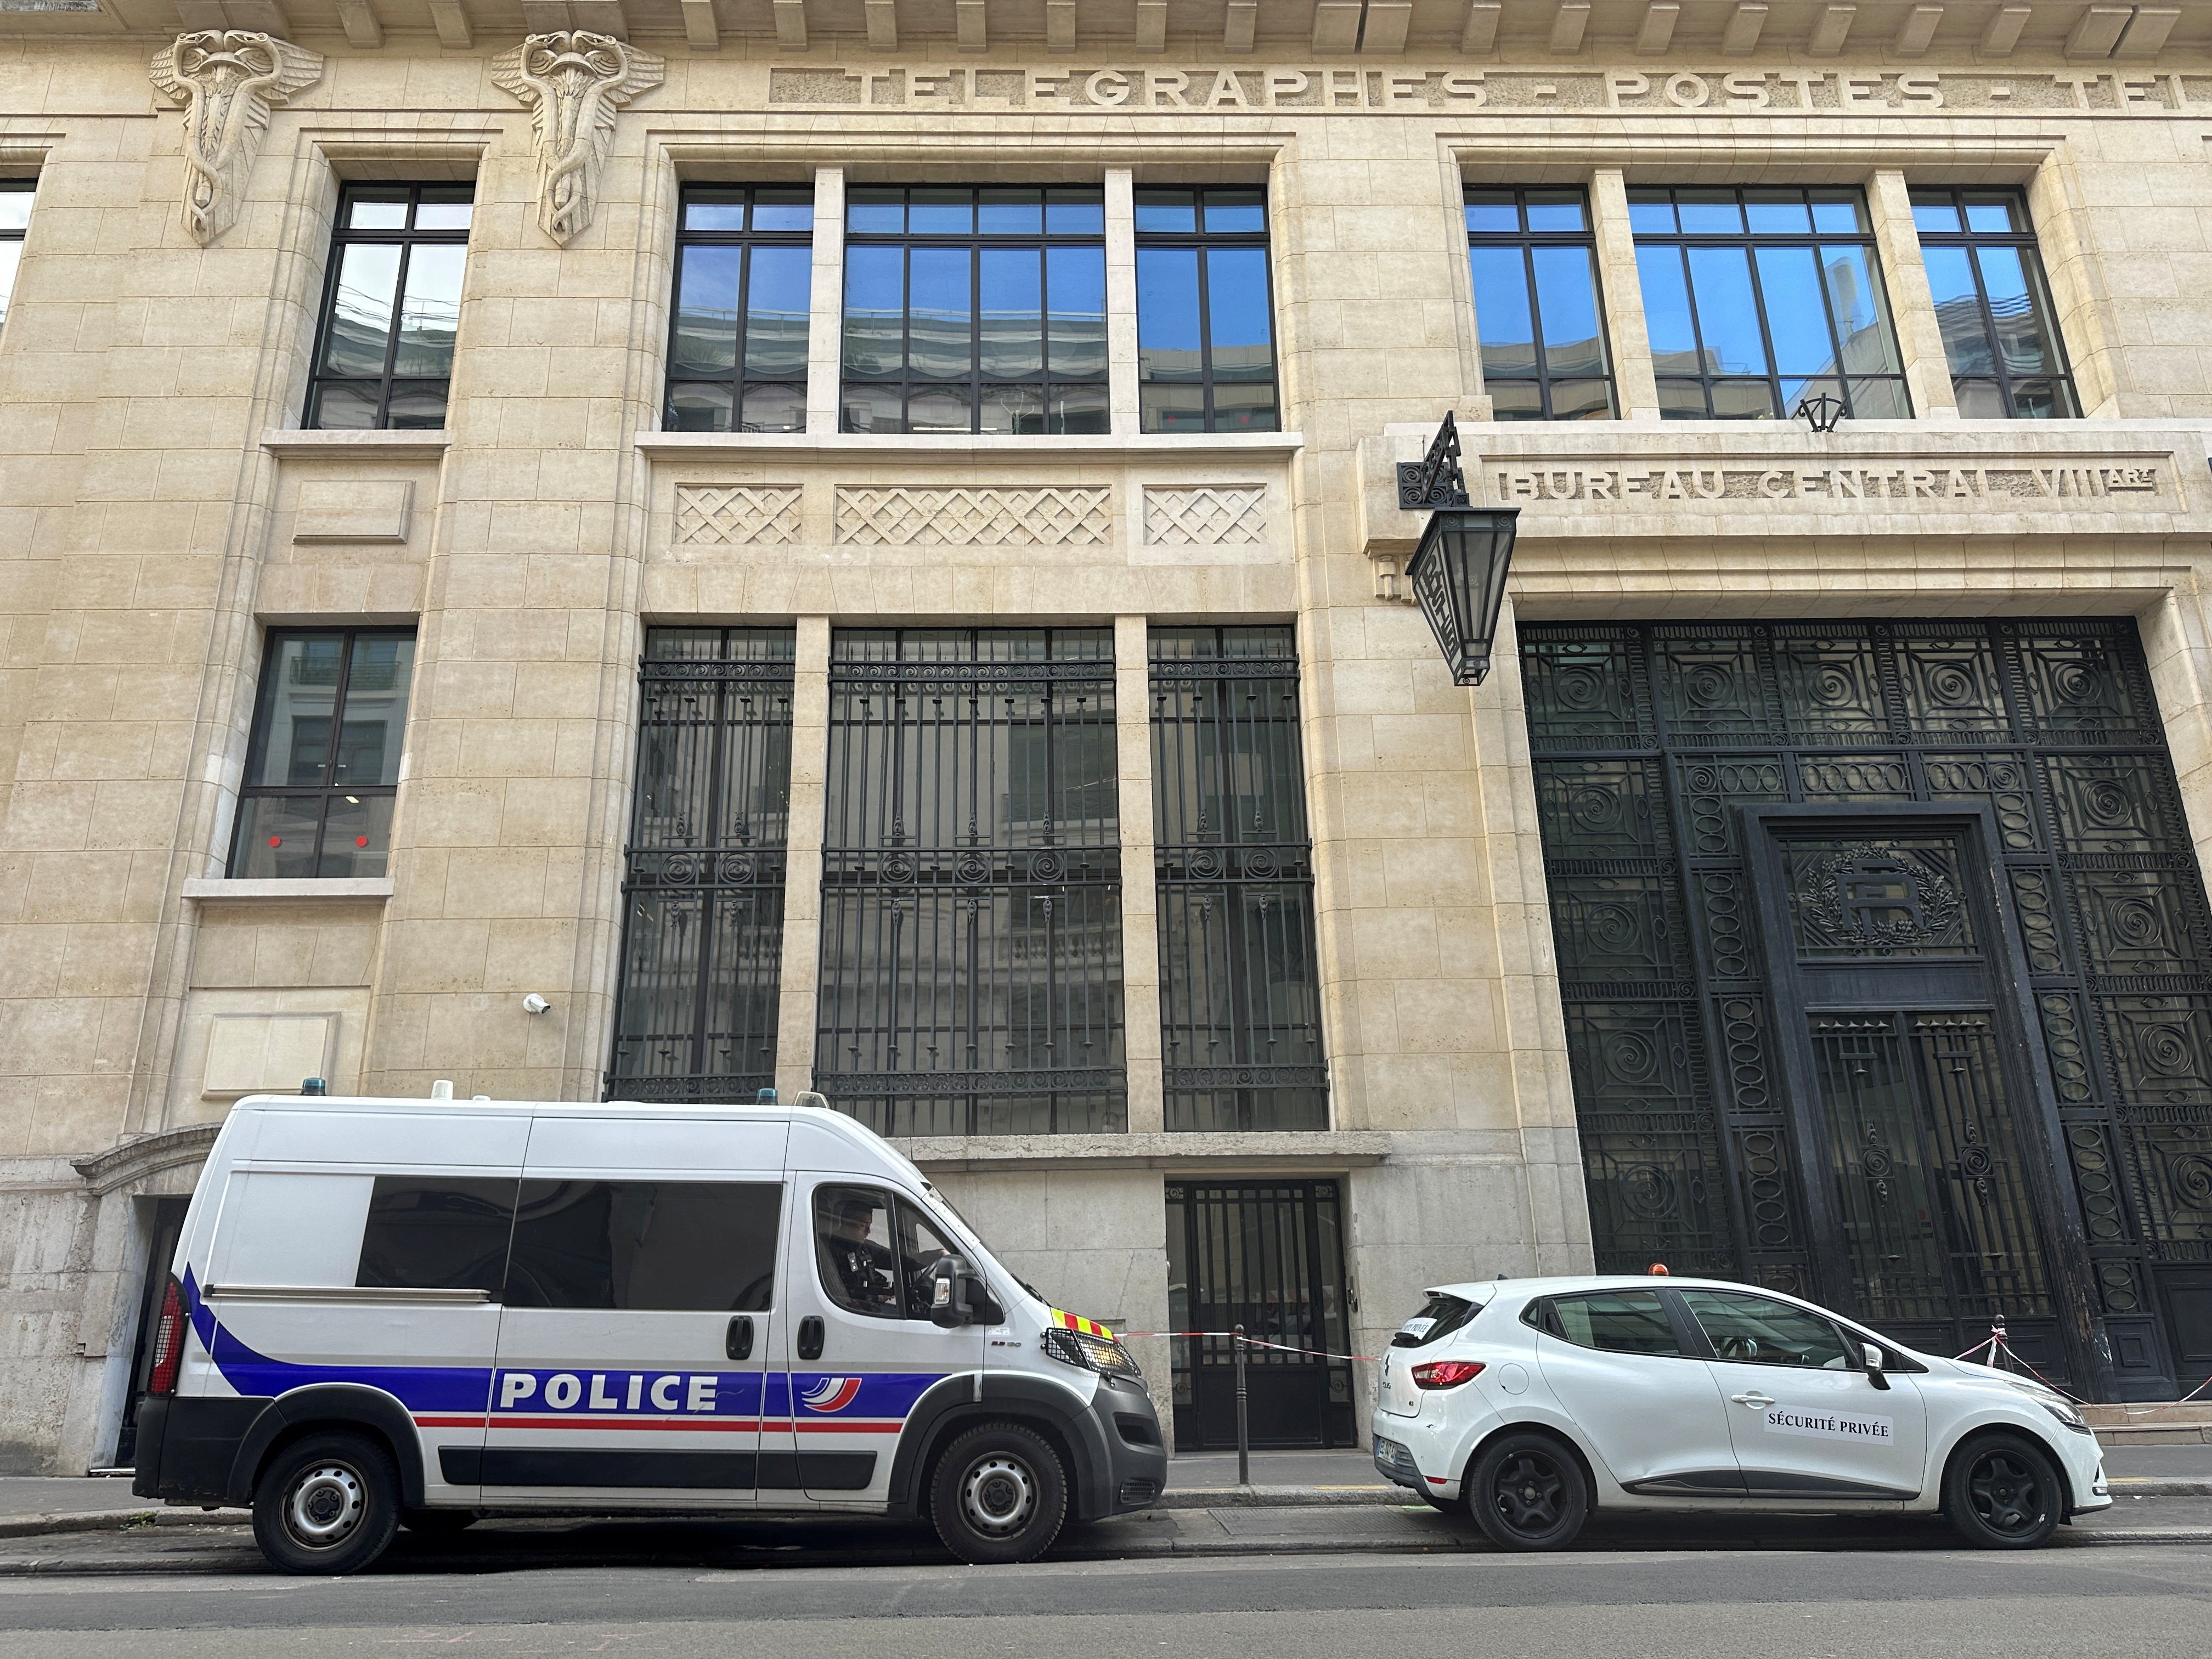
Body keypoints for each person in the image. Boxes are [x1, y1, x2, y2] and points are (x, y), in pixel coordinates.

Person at [820, 1192, 896, 1313]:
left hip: (869, 1307)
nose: (869, 1231)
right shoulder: (830, 1253)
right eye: (862, 1226)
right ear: (846, 1224)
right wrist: (877, 1298)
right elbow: (841, 1295)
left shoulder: (864, 1247)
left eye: (869, 1225)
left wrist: (926, 1257)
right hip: (853, 1311)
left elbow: (897, 1259)